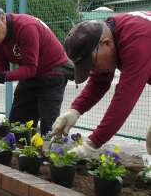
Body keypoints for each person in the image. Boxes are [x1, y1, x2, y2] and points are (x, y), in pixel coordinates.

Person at [51, 12, 151, 158]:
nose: (93, 70)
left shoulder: (137, 39)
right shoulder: (110, 32)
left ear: (106, 43)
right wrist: (74, 110)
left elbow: (124, 99)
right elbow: (99, 83)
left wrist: (92, 143)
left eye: (92, 63)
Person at [0, 2, 73, 135]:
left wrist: (2, 76)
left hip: (53, 73)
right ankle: (24, 152)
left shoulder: (26, 27)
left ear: (1, 18)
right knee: (17, 125)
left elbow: (30, 68)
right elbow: (1, 67)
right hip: (31, 74)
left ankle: (50, 152)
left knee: (48, 128)